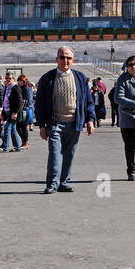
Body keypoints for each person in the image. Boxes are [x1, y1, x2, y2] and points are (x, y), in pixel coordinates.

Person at [33, 46, 95, 193]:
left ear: (73, 60)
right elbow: (40, 103)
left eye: (68, 58)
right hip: (55, 123)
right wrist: (41, 125)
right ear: (56, 59)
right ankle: (52, 184)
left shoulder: (80, 77)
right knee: (55, 154)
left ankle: (64, 182)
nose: (65, 60)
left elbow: (88, 101)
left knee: (69, 154)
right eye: (62, 57)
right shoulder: (47, 78)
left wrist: (90, 120)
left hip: (74, 123)